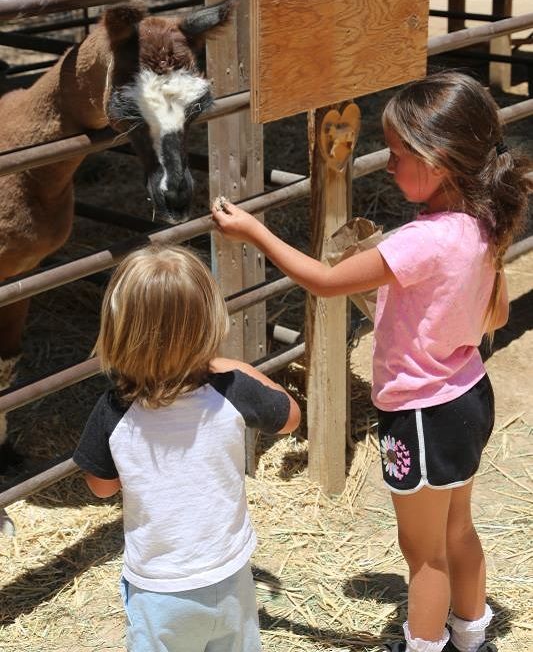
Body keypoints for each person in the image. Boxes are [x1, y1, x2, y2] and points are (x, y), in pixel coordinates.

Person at [211, 71, 531, 652]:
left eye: (398, 155)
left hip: (420, 413)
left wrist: (255, 232)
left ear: (438, 160)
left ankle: (424, 644)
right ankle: (472, 635)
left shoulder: (419, 243)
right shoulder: (485, 224)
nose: (387, 166)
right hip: (467, 396)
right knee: (458, 529)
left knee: (423, 554)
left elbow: (326, 281)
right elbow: (498, 316)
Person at [73, 244, 300, 652]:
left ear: (118, 330)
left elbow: (101, 486)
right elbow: (291, 418)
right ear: (209, 322)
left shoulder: (113, 410)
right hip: (231, 578)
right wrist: (241, 368)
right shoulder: (232, 390)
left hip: (158, 590)